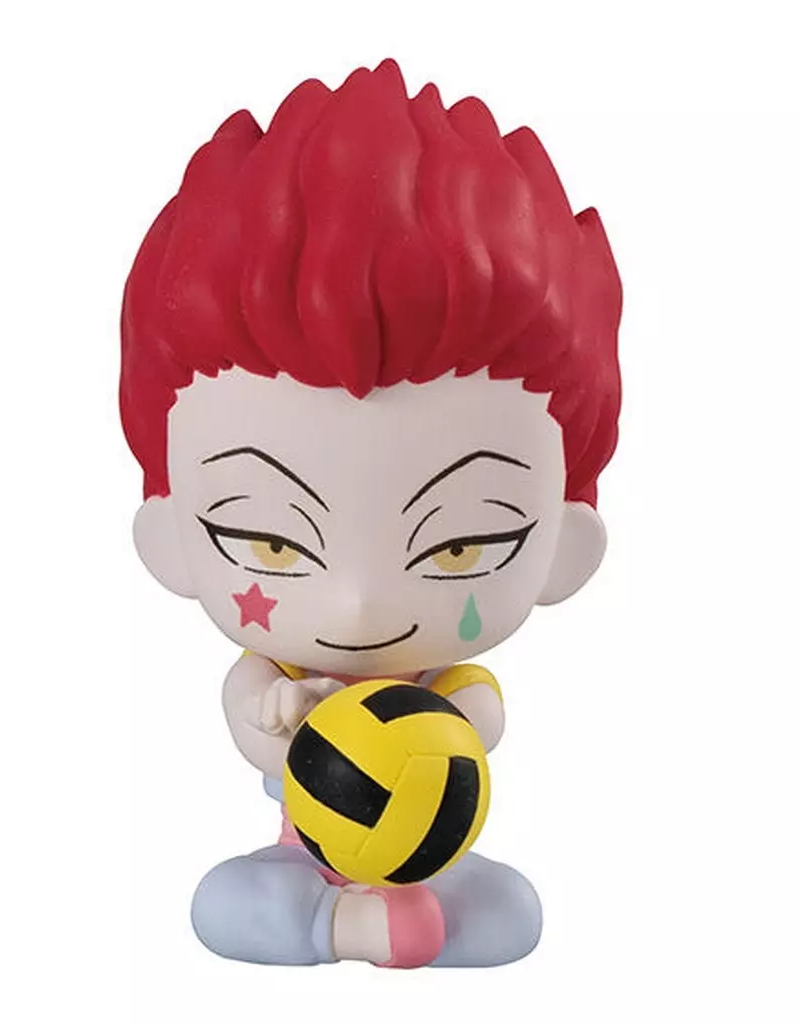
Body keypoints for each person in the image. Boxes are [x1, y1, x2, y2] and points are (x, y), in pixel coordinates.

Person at [120, 58, 622, 967]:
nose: (357, 603)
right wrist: (280, 712)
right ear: (168, 534)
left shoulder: (449, 684)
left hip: (429, 857)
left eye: (462, 544)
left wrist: (435, 740)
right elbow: (252, 724)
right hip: (300, 856)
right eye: (268, 539)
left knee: (510, 912)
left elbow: (479, 723)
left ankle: (374, 921)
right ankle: (336, 923)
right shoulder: (272, 669)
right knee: (223, 904)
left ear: (564, 547)